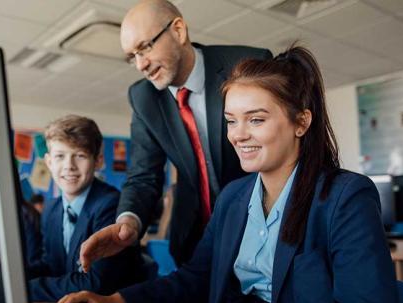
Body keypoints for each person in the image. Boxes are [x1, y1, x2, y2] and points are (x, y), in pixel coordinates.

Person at [50, 46, 399, 303]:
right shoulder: (234, 197)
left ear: (301, 123)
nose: (238, 135)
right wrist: (115, 301)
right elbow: (195, 278)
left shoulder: (345, 197)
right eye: (231, 121)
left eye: (256, 120)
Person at [80, 0, 273, 269]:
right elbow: (143, 175)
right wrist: (128, 223)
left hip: (260, 231)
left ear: (179, 31)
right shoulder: (144, 97)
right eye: (131, 56)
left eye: (145, 48)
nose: (140, 65)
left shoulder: (246, 66)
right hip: (195, 239)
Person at [28, 115, 145, 302]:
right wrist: (13, 277)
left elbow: (95, 283)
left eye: (80, 155)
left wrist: (27, 289)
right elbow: (51, 265)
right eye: (60, 156)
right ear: (49, 162)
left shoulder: (111, 204)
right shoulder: (51, 209)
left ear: (98, 161)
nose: (69, 166)